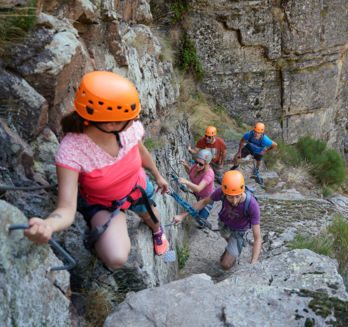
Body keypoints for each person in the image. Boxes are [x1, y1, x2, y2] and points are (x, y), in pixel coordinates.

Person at [24, 71, 169, 270]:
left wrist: (158, 175)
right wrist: (48, 225)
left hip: (137, 189)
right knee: (116, 258)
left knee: (154, 219)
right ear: (111, 124)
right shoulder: (72, 151)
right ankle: (128, 223)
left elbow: (140, 151)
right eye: (130, 117)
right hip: (104, 203)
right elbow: (66, 208)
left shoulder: (128, 130)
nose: (135, 119)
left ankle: (157, 230)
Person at [172, 170, 262, 270]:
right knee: (228, 242)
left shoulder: (252, 205)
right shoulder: (221, 192)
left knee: (225, 265)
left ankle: (234, 249)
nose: (234, 201)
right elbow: (203, 202)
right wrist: (183, 216)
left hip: (239, 231)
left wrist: (254, 263)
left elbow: (257, 238)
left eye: (237, 196)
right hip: (224, 224)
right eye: (231, 197)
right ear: (225, 193)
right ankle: (231, 249)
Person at [178, 149, 215, 224]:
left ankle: (203, 225)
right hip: (198, 195)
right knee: (198, 209)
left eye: (201, 164)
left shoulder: (209, 175)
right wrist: (185, 165)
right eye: (196, 162)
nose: (197, 165)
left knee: (201, 220)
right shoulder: (196, 166)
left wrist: (186, 182)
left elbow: (198, 189)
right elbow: (190, 173)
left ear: (207, 164)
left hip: (207, 197)